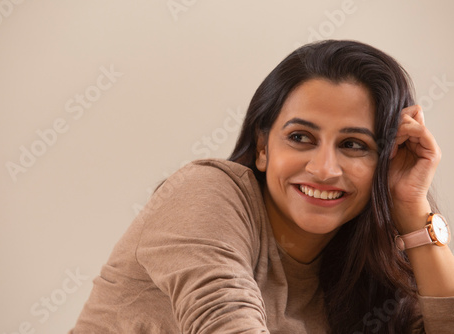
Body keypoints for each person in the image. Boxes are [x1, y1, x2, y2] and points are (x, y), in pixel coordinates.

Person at [69, 40, 454, 333]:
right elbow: (223, 319)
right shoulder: (205, 192)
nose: (324, 169)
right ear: (263, 147)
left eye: (354, 145)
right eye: (301, 137)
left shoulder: (359, 264)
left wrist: (409, 204)